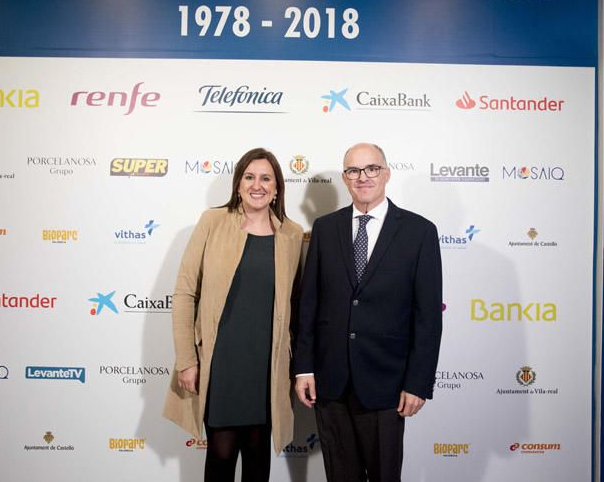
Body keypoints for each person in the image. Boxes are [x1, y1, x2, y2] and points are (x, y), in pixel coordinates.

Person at [294, 143, 443, 482]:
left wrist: (417, 383)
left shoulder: (419, 232)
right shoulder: (325, 229)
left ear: (386, 173)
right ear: (345, 178)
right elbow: (309, 303)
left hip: (387, 384)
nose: (362, 177)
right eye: (353, 171)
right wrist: (304, 367)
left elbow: (428, 317)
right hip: (330, 384)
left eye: (371, 169)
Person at [163, 148, 303, 482]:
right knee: (221, 454)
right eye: (250, 177)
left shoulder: (292, 235)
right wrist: (187, 359)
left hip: (266, 367)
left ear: (277, 187)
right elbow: (185, 293)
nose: (258, 185)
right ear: (238, 184)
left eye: (266, 178)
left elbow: (296, 307)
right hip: (220, 362)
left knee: (257, 457)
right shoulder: (213, 221)